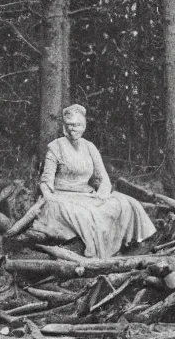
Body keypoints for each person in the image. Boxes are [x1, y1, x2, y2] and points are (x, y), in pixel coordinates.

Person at [28, 104, 156, 258]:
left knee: (126, 203)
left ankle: (135, 244)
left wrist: (101, 195)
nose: (73, 129)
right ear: (64, 126)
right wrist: (50, 199)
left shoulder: (89, 147)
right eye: (70, 125)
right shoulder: (55, 147)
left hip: (86, 194)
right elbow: (46, 182)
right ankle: (97, 255)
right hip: (63, 195)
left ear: (84, 126)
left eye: (78, 125)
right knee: (87, 215)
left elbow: (103, 179)